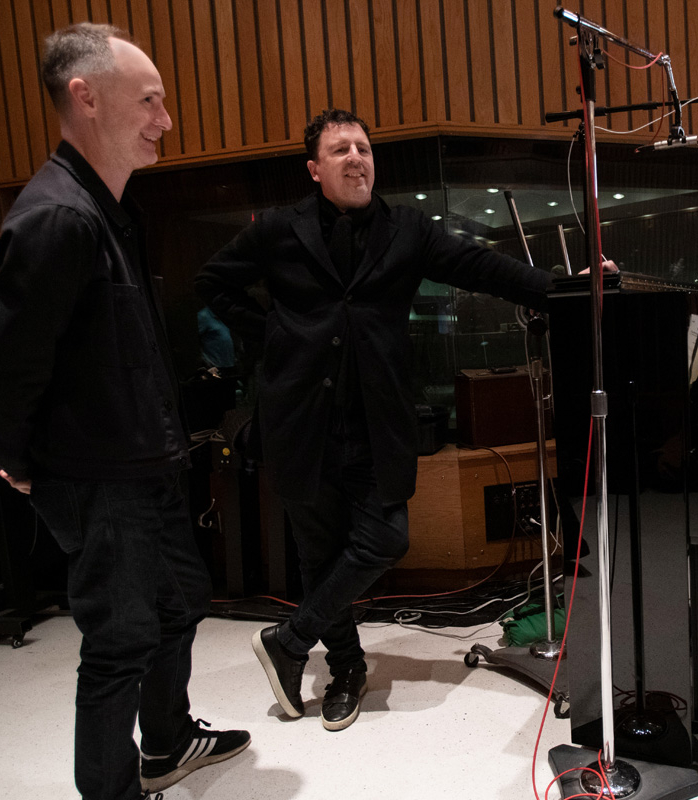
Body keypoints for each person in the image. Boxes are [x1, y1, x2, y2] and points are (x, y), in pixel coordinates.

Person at [196, 108, 557, 731]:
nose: (356, 157)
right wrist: (277, 335)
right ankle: (346, 670)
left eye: (363, 147)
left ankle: (289, 639)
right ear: (315, 169)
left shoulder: (407, 229)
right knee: (318, 555)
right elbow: (212, 284)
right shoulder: (279, 229)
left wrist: (563, 289)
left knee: (385, 538)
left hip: (377, 421)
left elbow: (481, 267)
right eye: (340, 150)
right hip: (299, 422)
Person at [0, 23, 249, 799]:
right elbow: (1, 362)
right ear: (85, 98)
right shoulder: (58, 216)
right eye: (150, 100)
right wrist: (16, 460)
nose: (164, 119)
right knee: (120, 641)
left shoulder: (105, 209)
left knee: (180, 605)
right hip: (98, 477)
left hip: (144, 465)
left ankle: (163, 744)